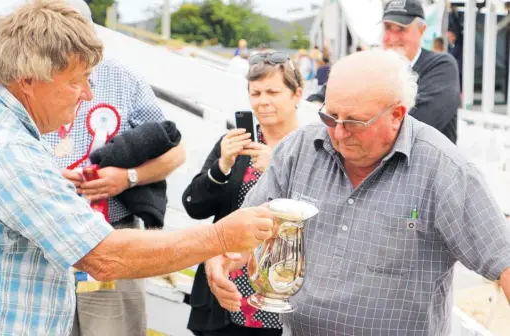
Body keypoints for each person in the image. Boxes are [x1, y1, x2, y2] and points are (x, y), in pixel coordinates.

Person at [0, 0, 276, 336]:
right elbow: (104, 257)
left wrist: (57, 183)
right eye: (76, 80)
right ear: (28, 79)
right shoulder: (10, 152)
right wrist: (221, 236)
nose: (87, 94)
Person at [206, 48, 510, 336]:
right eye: (330, 116)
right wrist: (222, 257)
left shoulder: (444, 170)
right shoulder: (300, 149)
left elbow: (504, 262)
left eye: (353, 122)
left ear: (396, 115)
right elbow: (245, 227)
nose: (338, 133)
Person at [40, 0, 185, 336]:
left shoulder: (123, 79)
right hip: (44, 243)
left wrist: (128, 177)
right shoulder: (28, 81)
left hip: (111, 240)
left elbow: (175, 151)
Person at [183, 51, 303, 336]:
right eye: (256, 92)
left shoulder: (311, 147)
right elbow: (194, 206)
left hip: (283, 295)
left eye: (273, 91)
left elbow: (321, 212)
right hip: (226, 294)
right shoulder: (235, 144)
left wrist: (276, 168)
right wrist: (222, 166)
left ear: (297, 94)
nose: (263, 101)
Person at [308, 0, 461, 144]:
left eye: (401, 29)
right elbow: (322, 97)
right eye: (388, 28)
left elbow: (422, 121)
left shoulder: (441, 66)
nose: (393, 38)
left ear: (422, 30)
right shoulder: (371, 66)